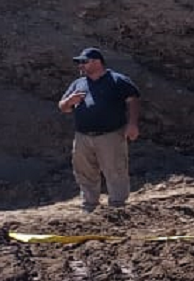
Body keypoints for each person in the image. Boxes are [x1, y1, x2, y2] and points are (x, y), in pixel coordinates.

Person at [58, 47, 141, 211]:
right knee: (84, 170)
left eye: (84, 62)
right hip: (82, 136)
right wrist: (69, 101)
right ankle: (89, 204)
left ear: (97, 62)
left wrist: (132, 124)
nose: (80, 66)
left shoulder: (117, 80)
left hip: (110, 135)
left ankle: (118, 206)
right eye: (79, 63)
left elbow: (133, 100)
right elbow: (62, 107)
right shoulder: (78, 83)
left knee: (115, 169)